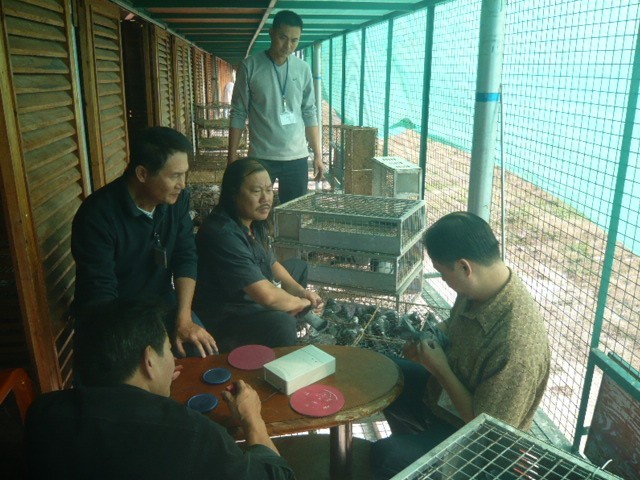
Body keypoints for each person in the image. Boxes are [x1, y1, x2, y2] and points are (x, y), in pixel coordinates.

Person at [25, 298, 294, 479]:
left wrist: (152, 387)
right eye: (167, 350)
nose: (174, 360)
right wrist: (251, 418)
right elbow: (278, 476)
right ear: (149, 360)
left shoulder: (43, 414)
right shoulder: (191, 434)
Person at [370, 212, 551, 479]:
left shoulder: (515, 346)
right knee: (386, 374)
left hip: (478, 447)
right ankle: (414, 441)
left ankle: (415, 458)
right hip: (443, 400)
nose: (445, 281)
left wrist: (440, 368)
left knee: (386, 456)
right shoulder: (479, 288)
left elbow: (487, 432)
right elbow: (453, 324)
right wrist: (427, 341)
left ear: (465, 267)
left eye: (444, 274)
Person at [71, 126, 218, 358]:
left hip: (161, 304)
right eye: (175, 176)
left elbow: (186, 255)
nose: (182, 184)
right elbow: (100, 295)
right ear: (142, 174)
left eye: (185, 174)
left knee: (202, 352)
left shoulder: (176, 201)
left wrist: (184, 319)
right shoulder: (97, 216)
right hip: (113, 318)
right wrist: (151, 353)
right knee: (153, 371)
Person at [193, 158, 323, 352]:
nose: (266, 199)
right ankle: (276, 346)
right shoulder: (221, 233)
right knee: (282, 324)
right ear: (233, 194)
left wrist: (300, 292)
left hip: (251, 298)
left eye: (269, 190)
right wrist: (300, 304)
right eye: (256, 191)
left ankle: (288, 316)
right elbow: (266, 296)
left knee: (298, 267)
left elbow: (271, 263)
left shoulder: (252, 222)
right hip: (227, 317)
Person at [227, 10, 323, 205]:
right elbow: (238, 112)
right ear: (271, 33)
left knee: (294, 211)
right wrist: (232, 155)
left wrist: (318, 155)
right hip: (261, 156)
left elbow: (309, 112)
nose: (288, 46)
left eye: (294, 40)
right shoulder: (250, 66)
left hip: (297, 157)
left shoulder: (303, 69)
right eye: (282, 38)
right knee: (256, 208)